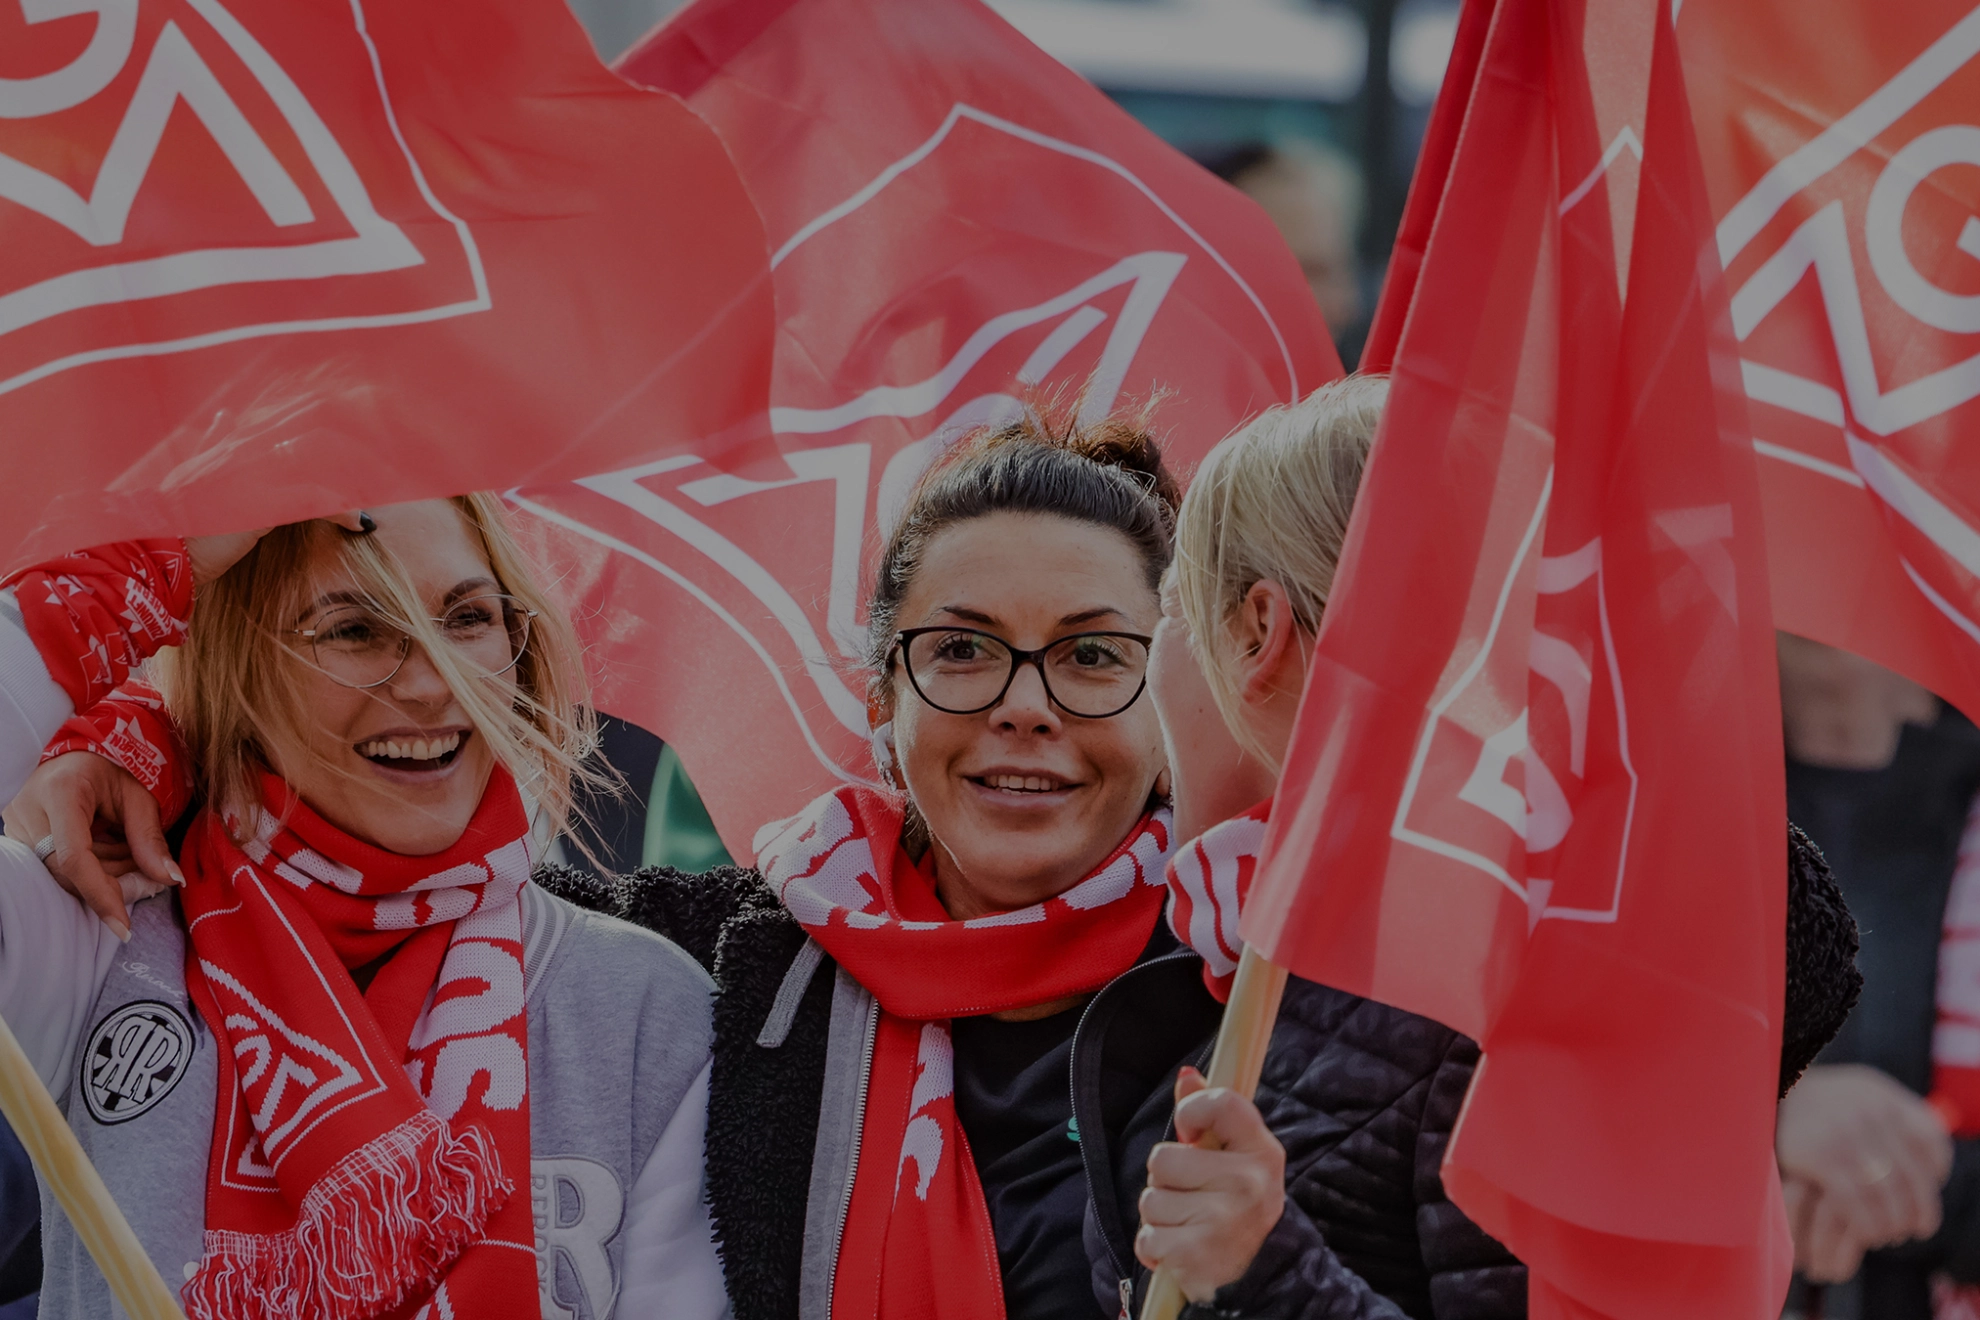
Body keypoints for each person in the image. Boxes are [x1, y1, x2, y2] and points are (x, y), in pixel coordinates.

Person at [1106, 376, 1865, 1319]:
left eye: (1170, 610)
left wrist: (1265, 1265)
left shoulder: (1489, 995)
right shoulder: (1252, 950)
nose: (1146, 668)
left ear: (1260, 630)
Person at [537, 412, 1207, 1320]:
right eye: (961, 650)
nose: (1023, 706)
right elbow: (449, 917)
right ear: (885, 700)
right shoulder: (731, 961)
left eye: (1092, 656)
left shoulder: (1257, 987)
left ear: (1170, 704)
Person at [0, 500, 726, 1320]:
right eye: (353, 630)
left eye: (467, 618)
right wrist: (135, 572)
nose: (430, 682)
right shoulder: (99, 934)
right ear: (238, 662)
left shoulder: (644, 1005)